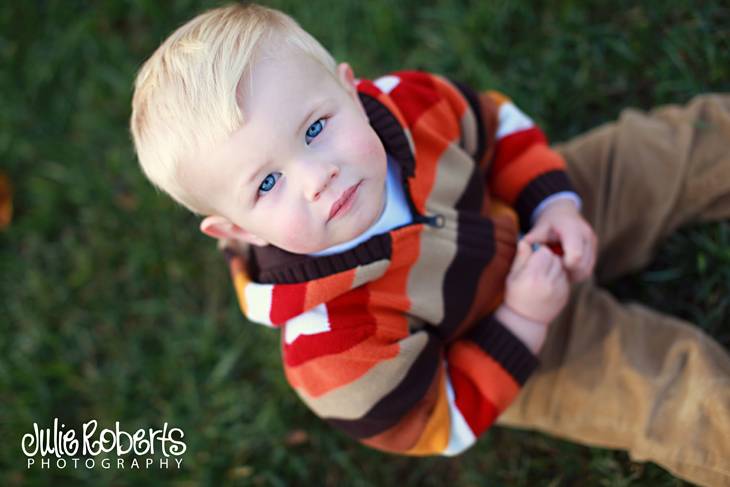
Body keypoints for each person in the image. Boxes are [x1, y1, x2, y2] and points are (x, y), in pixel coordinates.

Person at [129, 4, 730, 485]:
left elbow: (494, 126)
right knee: (681, 397)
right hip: (511, 346)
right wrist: (523, 319)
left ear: (349, 89)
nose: (318, 178)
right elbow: (433, 420)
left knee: (671, 151)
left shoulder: (407, 108)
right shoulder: (333, 349)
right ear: (236, 231)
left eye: (316, 128)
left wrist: (555, 204)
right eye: (266, 183)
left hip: (512, 203)